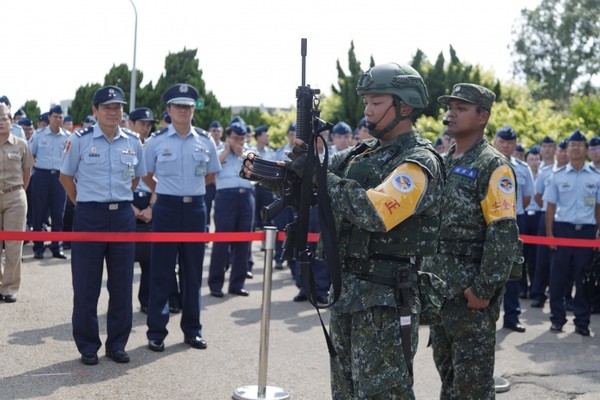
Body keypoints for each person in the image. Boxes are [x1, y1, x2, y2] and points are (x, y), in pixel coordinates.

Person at [326, 63, 443, 398]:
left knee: (383, 393)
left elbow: (377, 213)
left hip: (385, 301)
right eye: (365, 103)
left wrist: (320, 178)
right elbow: (314, 181)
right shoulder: (361, 153)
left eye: (375, 103)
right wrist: (275, 170)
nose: (367, 110)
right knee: (344, 392)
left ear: (403, 107)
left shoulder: (419, 162)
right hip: (347, 294)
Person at [422, 83, 520, 399]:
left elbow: (502, 233)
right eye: (450, 107)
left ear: (482, 116)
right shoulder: (443, 160)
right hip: (441, 294)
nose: (451, 113)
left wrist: (484, 289)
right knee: (448, 380)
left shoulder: (493, 165)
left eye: (461, 108)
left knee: (472, 388)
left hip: (471, 299)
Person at [59, 85, 146, 365]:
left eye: (118, 107)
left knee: (121, 285)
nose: (113, 112)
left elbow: (134, 180)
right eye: (107, 107)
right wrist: (82, 203)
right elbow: (66, 177)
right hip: (89, 216)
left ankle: (117, 344)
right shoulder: (80, 139)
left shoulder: (133, 142)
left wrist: (118, 201)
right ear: (95, 111)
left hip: (121, 216)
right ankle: (87, 345)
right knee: (86, 285)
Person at [142, 83, 220, 352]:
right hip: (166, 209)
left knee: (192, 273)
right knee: (161, 273)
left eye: (188, 106)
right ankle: (156, 332)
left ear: (193, 110)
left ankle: (192, 330)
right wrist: (163, 191)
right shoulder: (157, 141)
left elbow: (211, 175)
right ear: (169, 110)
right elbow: (144, 174)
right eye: (178, 106)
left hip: (195, 209)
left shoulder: (205, 140)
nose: (183, 111)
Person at [544, 130, 599, 336]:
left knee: (583, 279)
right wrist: (549, 234)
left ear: (586, 149)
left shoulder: (596, 176)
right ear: (566, 150)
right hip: (563, 229)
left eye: (579, 145)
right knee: (558, 278)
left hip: (586, 232)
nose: (575, 148)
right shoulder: (557, 176)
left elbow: (598, 207)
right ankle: (557, 319)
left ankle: (582, 321)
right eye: (572, 145)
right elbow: (550, 207)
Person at [127, 106, 181, 314]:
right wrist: (129, 206)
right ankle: (122, 305)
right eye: (141, 123)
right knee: (124, 259)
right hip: (127, 203)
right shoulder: (122, 144)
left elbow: (162, 180)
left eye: (149, 124)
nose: (145, 128)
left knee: (152, 259)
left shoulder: (157, 145)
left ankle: (148, 301)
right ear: (130, 123)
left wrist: (151, 206)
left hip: (152, 202)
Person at [493, 125, 534, 332]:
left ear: (515, 145)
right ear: (495, 141)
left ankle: (511, 316)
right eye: (502, 142)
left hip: (513, 223)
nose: (506, 146)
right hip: (488, 223)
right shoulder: (486, 163)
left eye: (510, 143)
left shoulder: (522, 168)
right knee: (486, 269)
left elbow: (526, 199)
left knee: (512, 271)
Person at [208, 120, 254, 297]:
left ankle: (237, 284)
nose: (239, 141)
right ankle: (215, 284)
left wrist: (241, 153)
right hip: (225, 197)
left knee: (244, 243)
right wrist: (226, 152)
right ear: (228, 137)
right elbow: (211, 170)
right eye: (235, 138)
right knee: (222, 240)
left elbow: (255, 169)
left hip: (246, 196)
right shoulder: (219, 152)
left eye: (242, 138)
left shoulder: (249, 152)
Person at [0, 102, 34, 303]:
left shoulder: (21, 144)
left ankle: (9, 287)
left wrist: (19, 191)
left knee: (13, 245)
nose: (1, 122)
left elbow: (27, 171)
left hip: (15, 197)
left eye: (4, 118)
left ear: (11, 121)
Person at [530, 138, 568, 308]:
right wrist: (547, 210)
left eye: (564, 150)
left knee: (563, 260)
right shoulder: (546, 172)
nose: (562, 154)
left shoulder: (573, 173)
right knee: (542, 259)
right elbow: (538, 197)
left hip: (564, 220)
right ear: (556, 152)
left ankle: (564, 296)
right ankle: (538, 294)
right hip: (545, 216)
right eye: (560, 150)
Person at [29, 105, 69, 260]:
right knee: (39, 213)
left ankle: (56, 247)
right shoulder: (39, 135)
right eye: (54, 116)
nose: (57, 119)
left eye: (60, 117)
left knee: (58, 214)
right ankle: (38, 247)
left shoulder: (67, 136)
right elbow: (30, 154)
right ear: (49, 117)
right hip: (41, 176)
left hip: (59, 177)